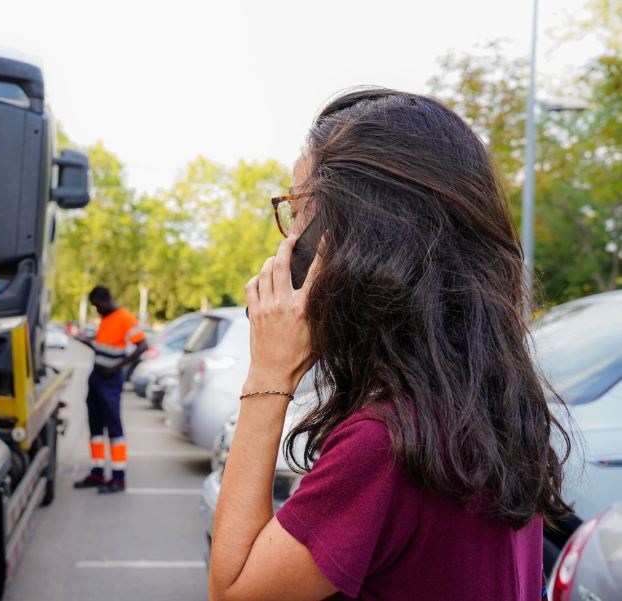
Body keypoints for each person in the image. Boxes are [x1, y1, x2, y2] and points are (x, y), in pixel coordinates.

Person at [208, 89, 570, 600]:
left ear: (357, 239)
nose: (288, 243)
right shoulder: (493, 410)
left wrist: (267, 375)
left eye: (299, 209)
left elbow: (231, 590)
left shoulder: (386, 444)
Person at [73, 285, 148, 494]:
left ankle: (118, 477)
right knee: (96, 429)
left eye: (97, 306)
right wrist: (87, 342)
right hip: (97, 377)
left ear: (106, 300)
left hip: (110, 380)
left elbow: (143, 345)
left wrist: (116, 367)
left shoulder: (125, 318)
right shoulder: (105, 319)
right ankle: (97, 472)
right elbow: (104, 348)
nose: (96, 310)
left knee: (114, 429)